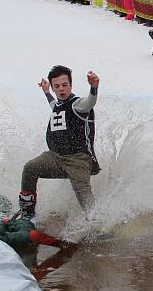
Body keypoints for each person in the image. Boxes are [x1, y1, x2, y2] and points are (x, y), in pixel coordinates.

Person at [19, 66, 101, 220]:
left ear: (71, 85)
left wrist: (94, 87)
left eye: (65, 85)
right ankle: (27, 213)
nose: (61, 89)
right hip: (55, 157)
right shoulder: (58, 105)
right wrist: (46, 91)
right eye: (57, 86)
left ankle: (96, 223)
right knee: (30, 168)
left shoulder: (78, 104)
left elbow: (90, 102)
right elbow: (53, 104)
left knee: (82, 191)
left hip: (78, 160)